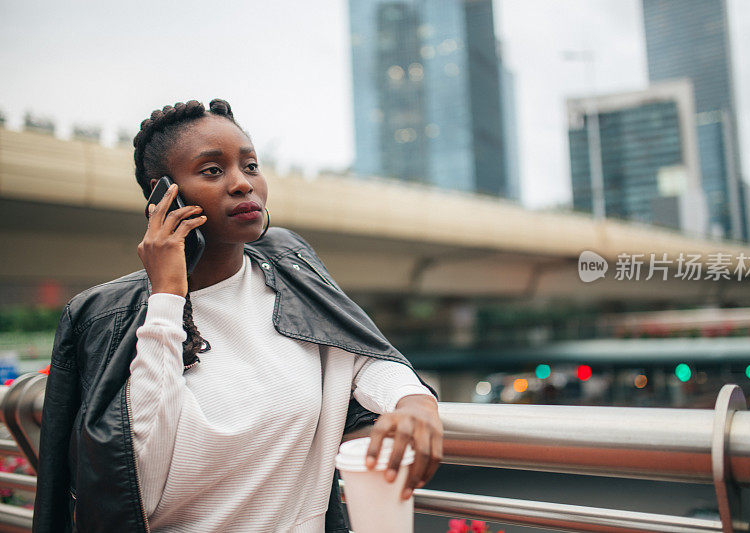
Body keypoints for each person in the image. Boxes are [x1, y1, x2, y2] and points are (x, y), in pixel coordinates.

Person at [33, 99, 443, 532]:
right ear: (163, 193)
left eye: (250, 166)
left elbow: (358, 355)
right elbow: (139, 491)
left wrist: (414, 399)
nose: (242, 184)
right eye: (212, 170)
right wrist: (167, 296)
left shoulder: (290, 266)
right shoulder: (112, 317)